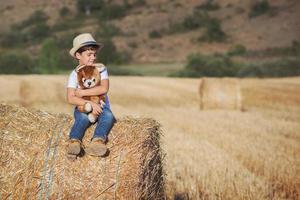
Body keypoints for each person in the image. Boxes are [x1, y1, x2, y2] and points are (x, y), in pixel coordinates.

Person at [66, 33, 116, 158]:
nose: (93, 57)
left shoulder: (101, 70)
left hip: (101, 106)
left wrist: (82, 93)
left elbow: (104, 88)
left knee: (108, 116)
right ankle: (74, 142)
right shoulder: (74, 75)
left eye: (94, 54)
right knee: (82, 119)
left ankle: (97, 141)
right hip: (83, 107)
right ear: (78, 55)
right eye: (89, 55)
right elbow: (71, 97)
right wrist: (89, 104)